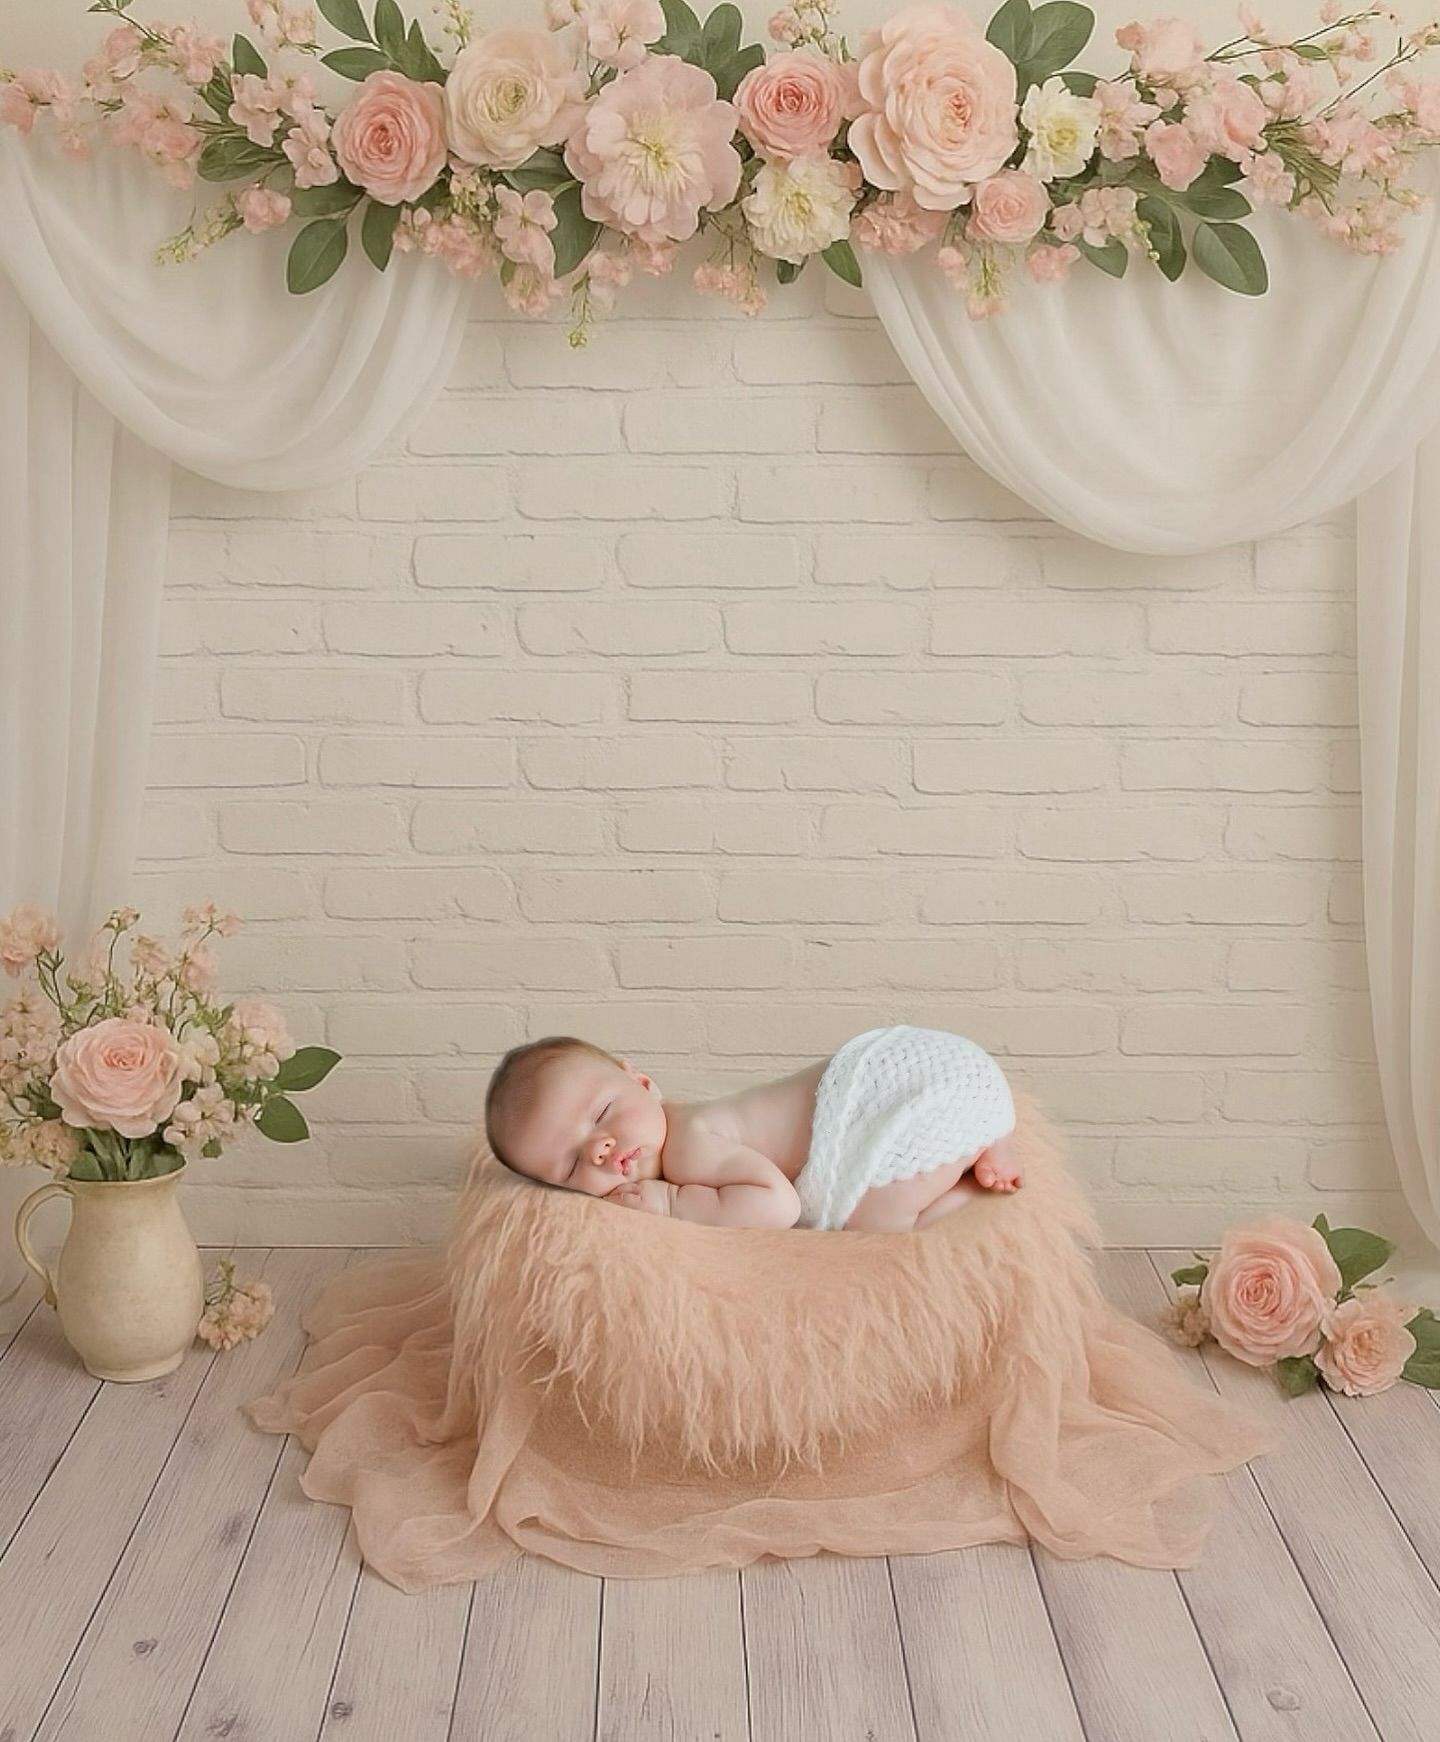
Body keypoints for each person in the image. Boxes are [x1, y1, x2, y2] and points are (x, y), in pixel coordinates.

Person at [482, 1025, 1022, 1233]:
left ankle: (968, 1181)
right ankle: (988, 1133)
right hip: (941, 1062)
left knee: (874, 1226)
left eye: (602, 1115)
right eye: (573, 1165)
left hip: (904, 1089)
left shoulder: (691, 1146)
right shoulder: (689, 1124)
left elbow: (778, 1206)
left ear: (643, 1082)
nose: (600, 1150)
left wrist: (673, 1204)